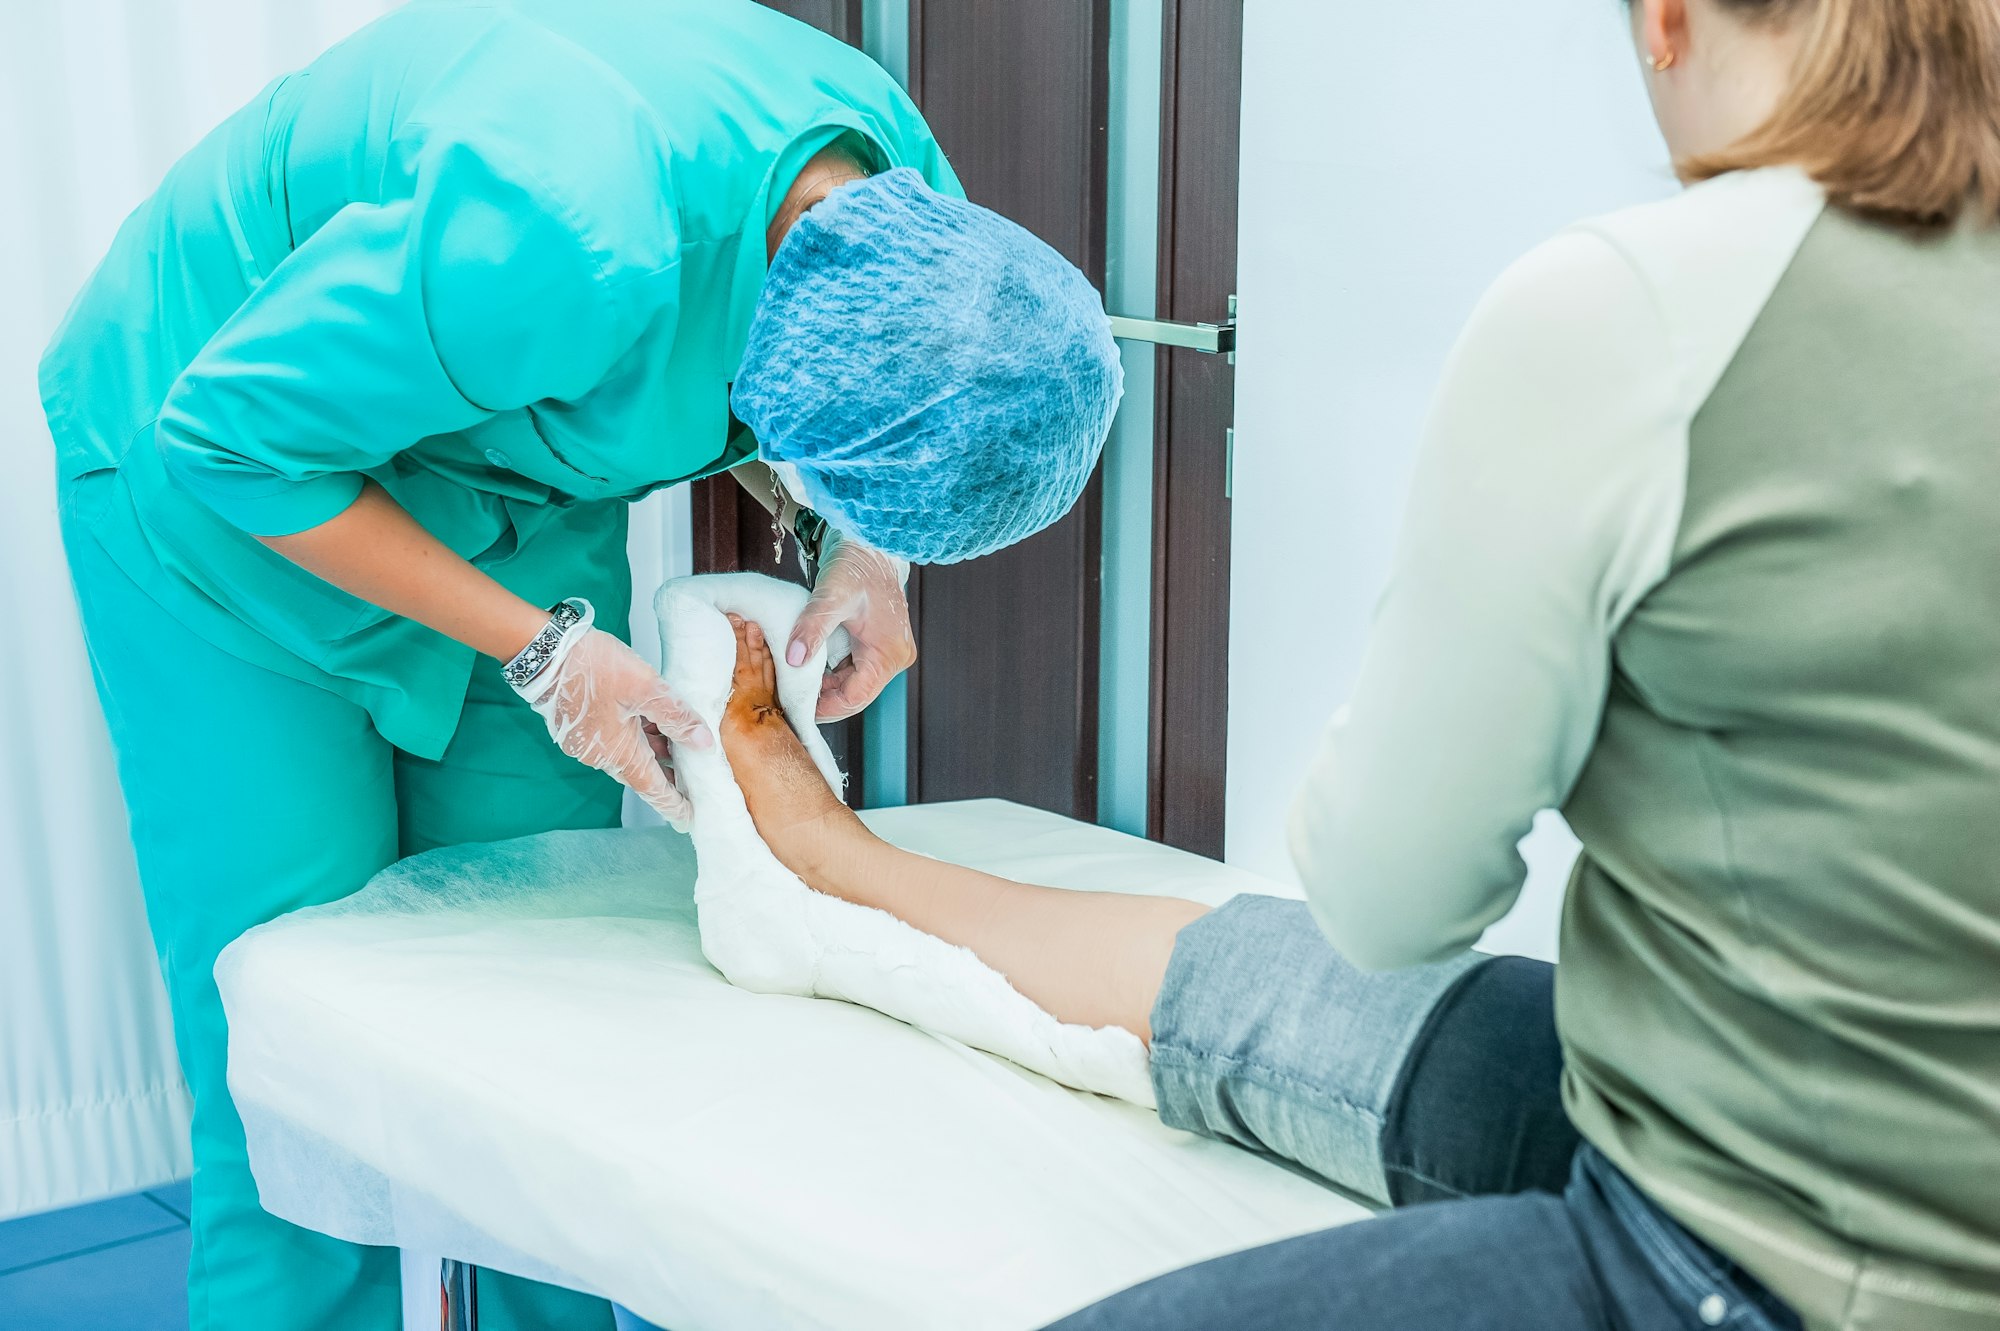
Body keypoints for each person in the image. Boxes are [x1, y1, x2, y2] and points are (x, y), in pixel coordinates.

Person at [699, 0, 2000, 1327]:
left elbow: (1393, 904)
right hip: (1759, 1107)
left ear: (1665, 21)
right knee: (1259, 977)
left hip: (1801, 1274)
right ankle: (839, 873)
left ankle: (826, 868)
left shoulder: (1645, 304)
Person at [40, 1, 1121, 1327]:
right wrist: (543, 648)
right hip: (220, 494)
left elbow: (893, 401)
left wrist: (863, 556)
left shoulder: (917, 223)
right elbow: (229, 439)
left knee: (541, 988)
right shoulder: (573, 231)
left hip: (512, 468)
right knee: (295, 1026)